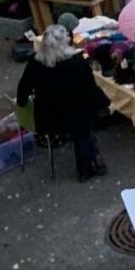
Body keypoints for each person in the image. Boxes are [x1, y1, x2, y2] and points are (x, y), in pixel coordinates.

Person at [17, 24, 110, 182]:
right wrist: (105, 104)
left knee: (79, 122)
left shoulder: (35, 63)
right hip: (75, 115)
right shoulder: (77, 62)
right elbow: (90, 88)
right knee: (82, 127)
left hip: (48, 117)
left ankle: (90, 161)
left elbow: (24, 87)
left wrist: (21, 102)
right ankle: (87, 167)